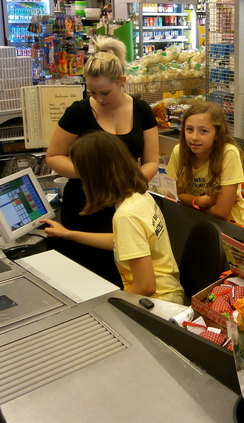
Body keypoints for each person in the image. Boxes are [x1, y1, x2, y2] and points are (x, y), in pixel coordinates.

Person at [45, 35, 159, 287]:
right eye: (91, 91)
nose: (98, 98)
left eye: (105, 92)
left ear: (122, 82)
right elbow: (53, 156)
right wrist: (92, 174)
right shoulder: (79, 111)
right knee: (89, 278)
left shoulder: (141, 110)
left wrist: (130, 182)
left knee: (127, 277)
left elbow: (151, 160)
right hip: (87, 206)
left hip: (127, 205)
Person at [42, 132, 184, 305]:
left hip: (157, 302)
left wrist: (104, 304)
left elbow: (146, 286)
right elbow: (122, 241)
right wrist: (68, 234)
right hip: (169, 291)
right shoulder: (139, 196)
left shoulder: (126, 216)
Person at [165, 101, 244, 229]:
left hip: (235, 228)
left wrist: (191, 203)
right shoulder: (179, 151)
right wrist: (199, 201)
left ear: (216, 134)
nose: (194, 137)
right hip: (200, 224)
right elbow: (178, 195)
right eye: (189, 129)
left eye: (203, 131)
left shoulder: (228, 153)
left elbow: (221, 212)